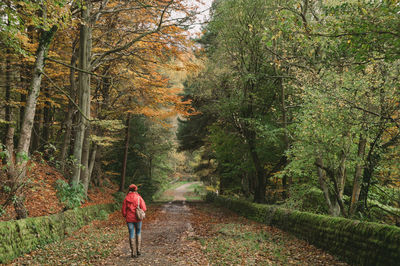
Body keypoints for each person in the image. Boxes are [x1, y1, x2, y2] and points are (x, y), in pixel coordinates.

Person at [122, 184, 147, 258]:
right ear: (135, 190)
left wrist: (125, 215)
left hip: (129, 219)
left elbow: (123, 210)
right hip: (138, 218)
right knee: (138, 232)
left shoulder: (126, 198)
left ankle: (133, 252)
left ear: (129, 190)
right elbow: (144, 208)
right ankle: (138, 250)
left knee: (131, 233)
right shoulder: (139, 197)